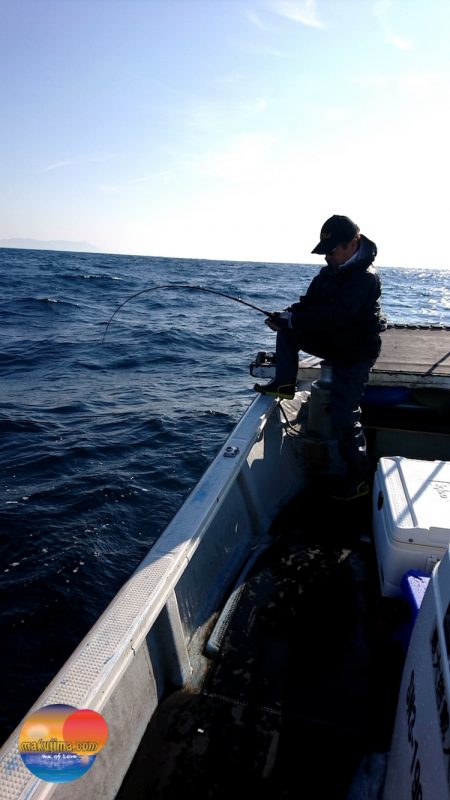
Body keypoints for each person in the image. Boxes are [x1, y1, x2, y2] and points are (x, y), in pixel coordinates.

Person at [254, 214, 386, 501]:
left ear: (353, 243)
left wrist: (296, 320)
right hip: (334, 341)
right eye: (324, 251)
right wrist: (285, 316)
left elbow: (338, 317)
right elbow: (310, 304)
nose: (328, 256)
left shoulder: (365, 278)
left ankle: (359, 476)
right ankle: (284, 383)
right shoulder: (330, 270)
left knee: (343, 414)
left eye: (332, 250)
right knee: (288, 329)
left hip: (355, 352)